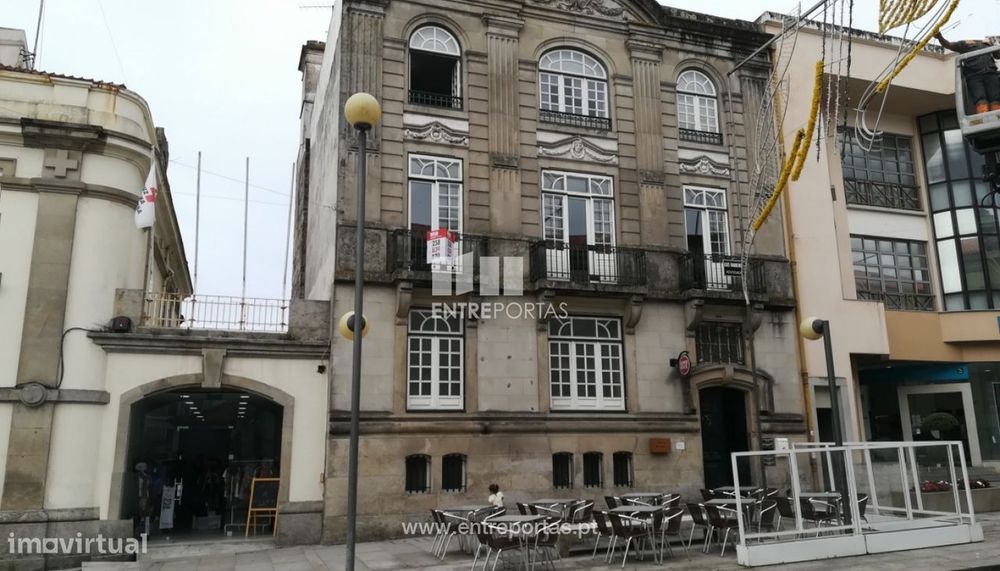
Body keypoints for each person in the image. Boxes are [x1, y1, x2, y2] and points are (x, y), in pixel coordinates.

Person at [936, 32, 1000, 114]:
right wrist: (939, 37)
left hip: (991, 74)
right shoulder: (963, 44)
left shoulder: (987, 43)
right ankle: (984, 116)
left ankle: (997, 117)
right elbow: (949, 45)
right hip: (975, 76)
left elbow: (997, 55)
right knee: (980, 98)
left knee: (995, 98)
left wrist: (996, 45)